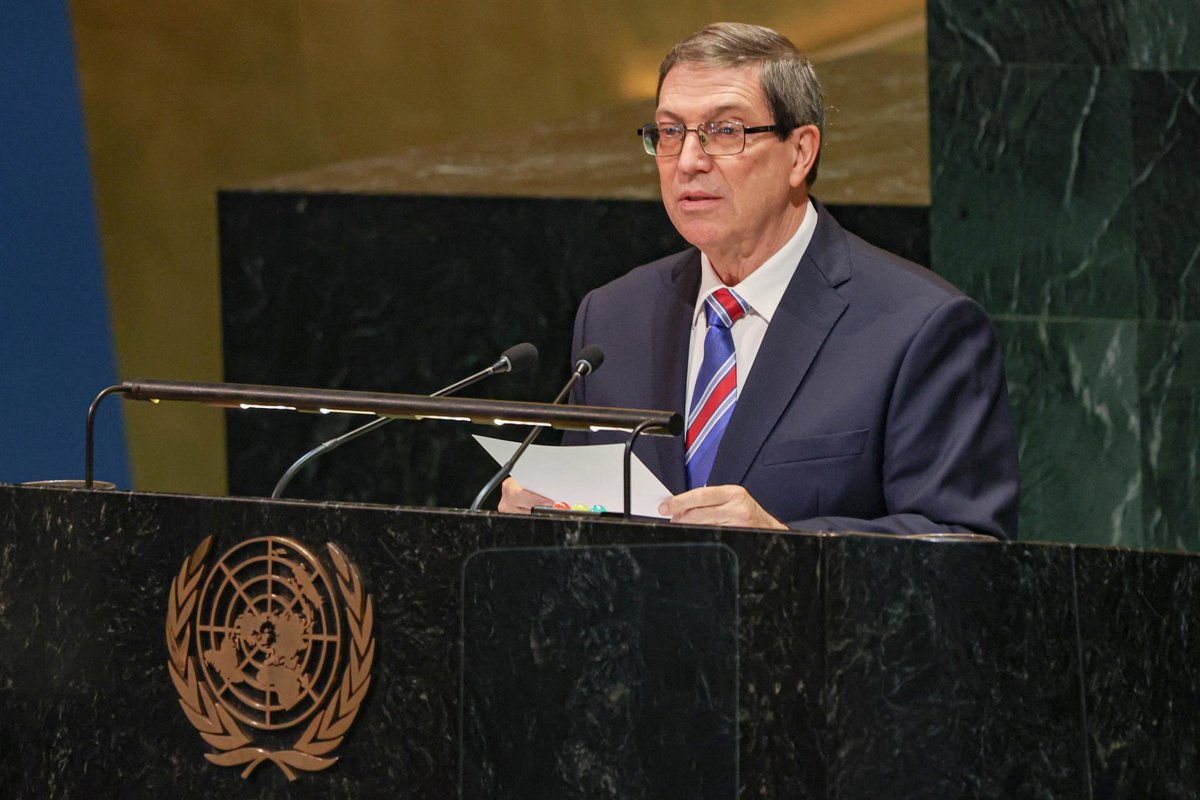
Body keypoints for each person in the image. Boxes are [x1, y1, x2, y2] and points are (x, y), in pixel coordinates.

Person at [500, 22, 1019, 538]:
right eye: (671, 132)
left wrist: (784, 544)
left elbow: (962, 543)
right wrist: (546, 520)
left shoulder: (919, 327)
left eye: (726, 132)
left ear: (800, 153)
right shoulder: (614, 318)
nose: (688, 162)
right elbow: (594, 525)